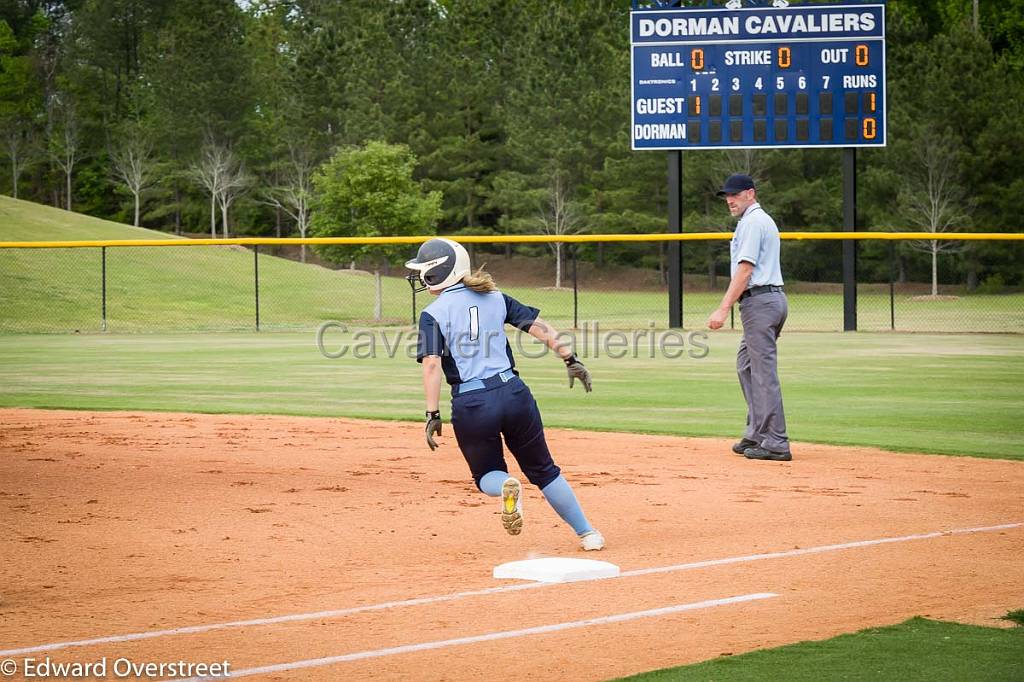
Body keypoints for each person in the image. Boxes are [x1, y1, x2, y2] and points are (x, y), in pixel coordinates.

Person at [405, 237, 606, 551]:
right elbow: (539, 327)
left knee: (487, 475)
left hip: (472, 404)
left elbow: (431, 365)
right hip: (514, 394)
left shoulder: (433, 313)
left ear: (439, 274)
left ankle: (506, 486)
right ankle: (588, 533)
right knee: (545, 470)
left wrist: (432, 413)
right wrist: (570, 359)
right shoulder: (495, 297)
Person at [706, 174, 792, 461]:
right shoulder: (753, 220)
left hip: (761, 303)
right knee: (746, 365)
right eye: (726, 196)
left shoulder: (754, 222)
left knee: (763, 373)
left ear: (750, 194)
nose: (729, 200)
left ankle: (776, 441)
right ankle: (757, 432)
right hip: (768, 300)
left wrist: (723, 308)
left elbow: (745, 270)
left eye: (735, 194)